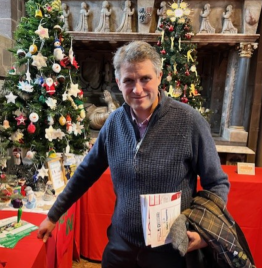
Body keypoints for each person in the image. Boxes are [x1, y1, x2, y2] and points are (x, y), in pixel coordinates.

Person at [37, 41, 230, 268]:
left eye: (145, 78)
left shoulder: (189, 121)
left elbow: (217, 183)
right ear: (118, 82)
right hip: (121, 247)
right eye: (129, 80)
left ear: (159, 77)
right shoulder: (113, 123)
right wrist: (53, 215)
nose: (137, 89)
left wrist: (204, 232)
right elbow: (85, 173)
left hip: (171, 251)